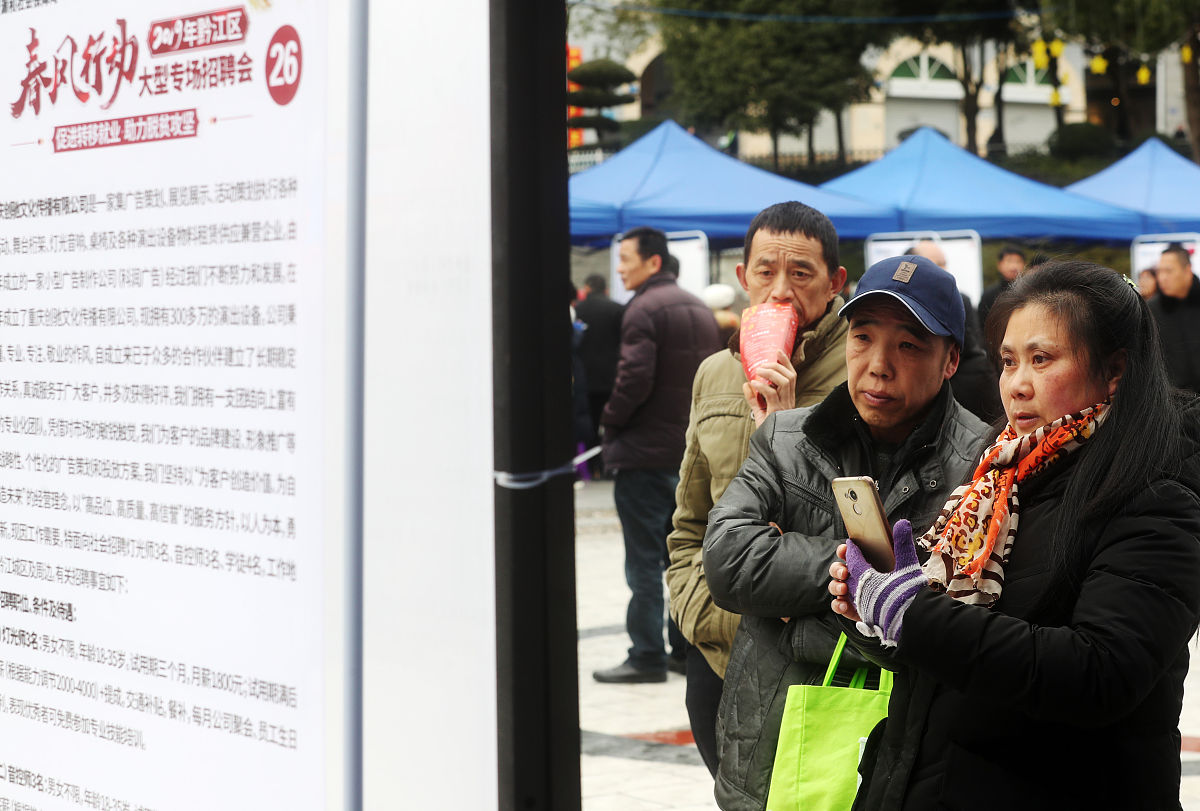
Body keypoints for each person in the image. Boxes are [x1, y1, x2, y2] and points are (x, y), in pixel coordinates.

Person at [829, 260, 1200, 809]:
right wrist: (876, 613)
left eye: (1041, 359)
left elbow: (1101, 673)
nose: (1017, 385)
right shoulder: (1000, 475)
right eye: (1007, 361)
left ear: (1115, 369)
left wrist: (917, 616)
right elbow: (952, 654)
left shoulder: (1159, 494)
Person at [701, 254, 989, 810]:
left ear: (951, 359)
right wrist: (861, 575)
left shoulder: (979, 464)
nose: (878, 365)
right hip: (771, 746)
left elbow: (944, 620)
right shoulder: (785, 437)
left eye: (909, 345)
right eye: (863, 337)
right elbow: (727, 561)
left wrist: (790, 609)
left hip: (913, 758)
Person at [667, 201, 850, 776]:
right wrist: (698, 613)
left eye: (801, 274)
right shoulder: (715, 374)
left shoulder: (864, 371)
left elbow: (853, 526)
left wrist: (785, 421)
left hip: (809, 654)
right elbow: (689, 519)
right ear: (742, 279)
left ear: (834, 282)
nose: (781, 291)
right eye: (765, 272)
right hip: (718, 650)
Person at [594, 226, 722, 684]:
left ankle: (645, 653)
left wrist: (609, 419)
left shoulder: (642, 309)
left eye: (626, 258)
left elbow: (633, 379)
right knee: (683, 550)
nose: (620, 267)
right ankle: (681, 647)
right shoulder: (698, 308)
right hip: (688, 452)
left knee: (644, 560)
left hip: (643, 453)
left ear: (652, 261)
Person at [906, 240, 1002, 422]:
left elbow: (973, 346)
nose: (942, 270)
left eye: (943, 263)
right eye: (935, 264)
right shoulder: (895, 309)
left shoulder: (960, 301)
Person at [574, 273, 625, 475]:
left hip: (584, 378)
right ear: (606, 289)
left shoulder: (578, 310)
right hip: (612, 377)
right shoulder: (617, 309)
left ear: (586, 288)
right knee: (611, 423)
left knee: (590, 424)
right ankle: (608, 466)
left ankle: (592, 466)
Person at [1148, 242, 1200, 394]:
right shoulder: (1152, 310)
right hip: (1174, 402)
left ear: (1187, 270)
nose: (1162, 278)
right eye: (1159, 272)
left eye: (1169, 271)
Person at [977, 244, 1025, 327]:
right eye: (1009, 261)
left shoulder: (1029, 292)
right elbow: (981, 324)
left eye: (1018, 261)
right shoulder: (989, 294)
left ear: (1024, 265)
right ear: (999, 265)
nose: (1013, 266)